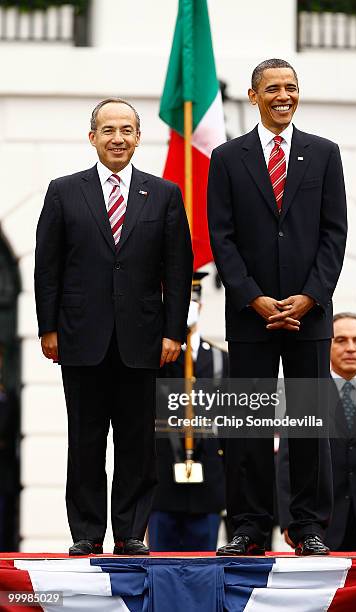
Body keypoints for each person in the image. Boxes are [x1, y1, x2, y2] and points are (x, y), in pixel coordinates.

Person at [34, 98, 193, 556]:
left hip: (143, 340)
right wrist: (49, 327)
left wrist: (173, 332)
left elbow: (177, 269)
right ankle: (85, 532)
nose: (117, 138)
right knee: (84, 439)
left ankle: (130, 533)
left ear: (138, 137)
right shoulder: (64, 191)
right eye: (108, 130)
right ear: (92, 137)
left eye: (126, 130)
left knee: (137, 442)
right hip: (81, 336)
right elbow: (49, 266)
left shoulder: (163, 194)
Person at [207, 58, 347, 556]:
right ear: (253, 96)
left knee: (309, 423)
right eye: (272, 88)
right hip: (251, 314)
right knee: (249, 424)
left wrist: (311, 297)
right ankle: (248, 527)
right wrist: (253, 297)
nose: (283, 95)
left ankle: (308, 526)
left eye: (290, 87)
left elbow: (335, 233)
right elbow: (220, 236)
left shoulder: (324, 154)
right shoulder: (226, 159)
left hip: (310, 313)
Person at [277, 313, 356, 551]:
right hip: (319, 527)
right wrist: (289, 519)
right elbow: (288, 461)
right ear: (327, 346)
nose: (350, 348)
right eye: (341, 340)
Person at [149, 272, 227, 551]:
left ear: (201, 306)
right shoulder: (153, 357)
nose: (186, 309)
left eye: (191, 301)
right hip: (162, 483)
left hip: (208, 483)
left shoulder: (219, 359)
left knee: (204, 572)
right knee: (160, 572)